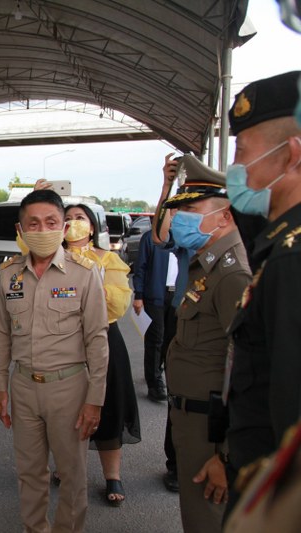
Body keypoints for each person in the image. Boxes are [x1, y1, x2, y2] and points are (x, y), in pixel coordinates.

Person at [0, 189, 109, 532]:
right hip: (24, 386)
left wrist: (95, 399)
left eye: (51, 222)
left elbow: (97, 339)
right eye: (34, 223)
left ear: (63, 227)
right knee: (29, 473)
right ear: (20, 229)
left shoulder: (84, 273)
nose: (42, 230)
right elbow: (1, 334)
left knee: (72, 474)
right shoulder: (8, 274)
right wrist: (1, 388)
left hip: (69, 389)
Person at [156, 156, 252, 532]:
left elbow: (252, 373)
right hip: (195, 422)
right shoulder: (207, 265)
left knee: (208, 521)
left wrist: (227, 457)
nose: (181, 218)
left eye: (191, 211)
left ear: (224, 216)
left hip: (213, 434)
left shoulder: (233, 275)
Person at [224, 70, 301, 515]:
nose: (235, 169)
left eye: (242, 151)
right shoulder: (278, 247)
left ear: (291, 155)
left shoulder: (292, 261)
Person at [63, 204, 141, 507]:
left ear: (92, 227)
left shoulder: (108, 259)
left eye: (79, 218)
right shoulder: (51, 258)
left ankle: (112, 475)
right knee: (65, 409)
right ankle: (66, 467)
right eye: (67, 219)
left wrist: (79, 291)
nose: (73, 223)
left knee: (108, 407)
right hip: (64, 342)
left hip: (103, 339)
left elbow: (116, 304)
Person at [132, 226, 176, 403]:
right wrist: (138, 295)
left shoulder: (185, 240)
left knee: (170, 338)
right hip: (155, 295)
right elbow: (140, 267)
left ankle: (158, 370)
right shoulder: (151, 238)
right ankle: (154, 383)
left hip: (177, 296)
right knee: (155, 338)